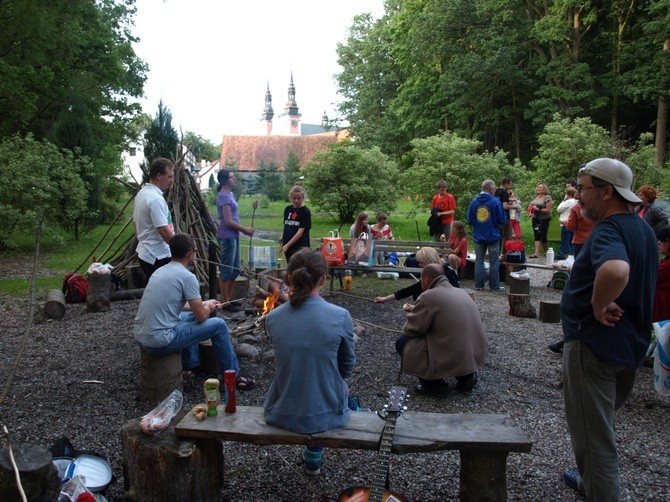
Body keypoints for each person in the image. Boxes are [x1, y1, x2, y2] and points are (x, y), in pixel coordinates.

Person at [560, 158, 657, 501]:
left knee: (594, 437)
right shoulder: (642, 229)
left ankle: (600, 490)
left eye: (583, 189)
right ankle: (591, 482)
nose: (578, 197)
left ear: (606, 191)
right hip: (628, 345)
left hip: (595, 346)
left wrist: (599, 304)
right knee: (599, 424)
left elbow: (616, 270)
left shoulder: (609, 229)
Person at [263, 249, 356, 475]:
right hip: (325, 413)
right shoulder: (340, 315)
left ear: (288, 278)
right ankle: (314, 456)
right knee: (338, 390)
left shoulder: (272, 318)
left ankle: (313, 455)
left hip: (281, 409)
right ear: (323, 278)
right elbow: (347, 365)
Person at [134, 233, 255, 390]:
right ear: (190, 253)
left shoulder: (160, 271)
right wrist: (208, 307)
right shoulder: (187, 277)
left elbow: (180, 305)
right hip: (159, 341)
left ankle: (190, 365)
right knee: (219, 325)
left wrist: (204, 303)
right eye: (196, 251)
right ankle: (233, 377)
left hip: (141, 336)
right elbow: (202, 316)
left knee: (187, 315)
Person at [395, 263, 488, 397]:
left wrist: (411, 315)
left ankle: (435, 386)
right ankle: (466, 376)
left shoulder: (428, 296)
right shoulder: (461, 292)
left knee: (402, 342)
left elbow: (412, 330)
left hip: (451, 352)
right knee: (452, 336)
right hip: (474, 350)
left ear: (426, 279)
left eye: (421, 280)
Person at [548, 203, 595, 354]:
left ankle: (571, 342)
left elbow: (571, 226)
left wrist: (565, 223)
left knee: (577, 285)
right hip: (594, 240)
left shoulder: (577, 208)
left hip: (580, 241)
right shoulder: (597, 209)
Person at [216, 170, 254, 309]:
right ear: (225, 181)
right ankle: (225, 302)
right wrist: (245, 230)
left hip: (234, 236)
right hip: (226, 237)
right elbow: (227, 221)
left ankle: (228, 299)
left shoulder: (230, 194)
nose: (235, 179)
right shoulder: (223, 196)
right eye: (232, 177)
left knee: (235, 269)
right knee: (226, 270)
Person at [133, 157, 175, 281]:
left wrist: (142, 239)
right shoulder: (155, 199)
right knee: (166, 294)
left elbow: (134, 224)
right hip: (158, 255)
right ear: (159, 176)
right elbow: (163, 230)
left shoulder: (142, 193)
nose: (172, 181)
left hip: (146, 253)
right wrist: (180, 250)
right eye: (169, 176)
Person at [373, 247, 459, 304]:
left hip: (449, 307)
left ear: (429, 261)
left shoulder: (446, 274)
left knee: (419, 295)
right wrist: (385, 299)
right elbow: (410, 290)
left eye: (421, 262)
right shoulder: (433, 272)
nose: (419, 265)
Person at [466, 180, 506, 293]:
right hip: (493, 235)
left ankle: (479, 285)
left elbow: (469, 219)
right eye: (494, 189)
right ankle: (494, 287)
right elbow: (502, 219)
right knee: (494, 261)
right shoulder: (495, 202)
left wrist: (478, 226)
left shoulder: (474, 202)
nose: (495, 191)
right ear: (490, 189)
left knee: (479, 260)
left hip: (478, 235)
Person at [279, 186, 311, 263]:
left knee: (299, 269)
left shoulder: (305, 212)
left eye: (298, 198)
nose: (296, 200)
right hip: (288, 245)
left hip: (300, 247)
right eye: (294, 198)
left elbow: (300, 232)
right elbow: (286, 225)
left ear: (303, 198)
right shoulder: (287, 209)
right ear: (291, 198)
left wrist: (287, 245)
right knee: (290, 267)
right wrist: (282, 237)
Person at [527, 182, 553, 258]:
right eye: (538, 187)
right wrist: (530, 212)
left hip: (544, 219)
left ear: (544, 189)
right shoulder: (534, 197)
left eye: (541, 187)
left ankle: (546, 251)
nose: (538, 189)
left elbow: (548, 209)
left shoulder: (547, 197)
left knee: (543, 235)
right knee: (536, 234)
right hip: (535, 218)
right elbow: (530, 207)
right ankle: (536, 253)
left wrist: (538, 209)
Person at [653, 225, 670, 322]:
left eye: (662, 240)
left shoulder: (667, 266)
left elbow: (651, 278)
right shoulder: (666, 262)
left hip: (664, 316)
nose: (658, 243)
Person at [556, 186, 578, 259]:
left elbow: (559, 209)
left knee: (565, 242)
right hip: (572, 223)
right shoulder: (576, 201)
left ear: (568, 194)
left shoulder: (569, 201)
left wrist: (563, 200)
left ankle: (568, 257)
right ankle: (573, 256)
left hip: (564, 223)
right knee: (571, 241)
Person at [495, 177, 515, 248]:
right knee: (507, 237)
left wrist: (509, 199)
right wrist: (514, 207)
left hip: (497, 217)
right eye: (510, 185)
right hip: (505, 217)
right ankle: (505, 254)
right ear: (506, 184)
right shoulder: (504, 192)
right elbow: (505, 206)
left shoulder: (497, 191)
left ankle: (498, 253)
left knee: (498, 237)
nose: (510, 187)